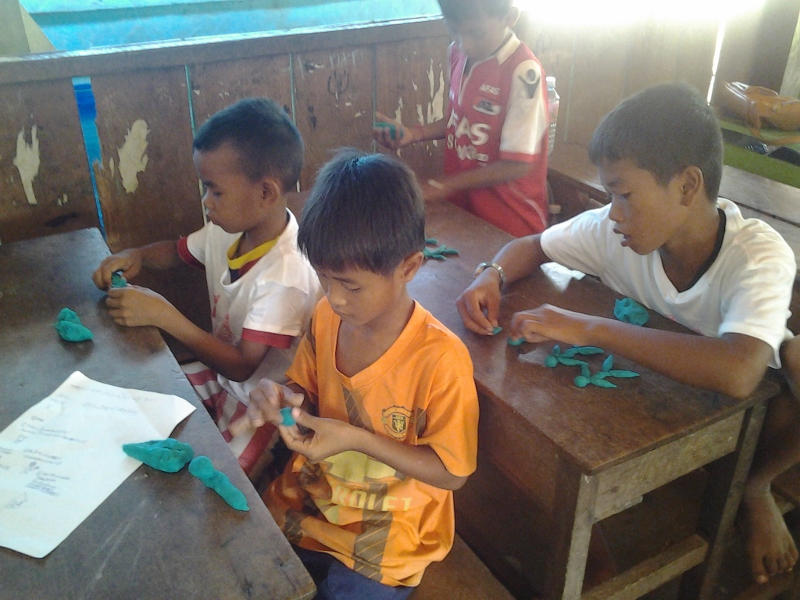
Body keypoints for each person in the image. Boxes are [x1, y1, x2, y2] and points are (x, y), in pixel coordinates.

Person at [455, 82, 799, 585]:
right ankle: (588, 543)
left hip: (755, 412)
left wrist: (590, 328)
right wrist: (491, 274)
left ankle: (756, 486)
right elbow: (534, 245)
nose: (612, 210)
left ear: (687, 186)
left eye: (624, 194)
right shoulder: (614, 230)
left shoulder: (758, 254)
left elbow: (740, 371)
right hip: (658, 396)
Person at [241, 150, 479, 598]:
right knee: (249, 571)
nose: (335, 298)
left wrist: (357, 440)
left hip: (388, 532)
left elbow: (452, 474)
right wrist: (281, 397)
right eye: (324, 278)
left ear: (409, 267)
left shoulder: (440, 359)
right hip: (313, 498)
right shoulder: (326, 318)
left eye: (350, 285)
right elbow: (303, 390)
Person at [92, 98, 322, 480]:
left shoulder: (287, 276)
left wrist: (164, 316)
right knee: (144, 400)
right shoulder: (228, 229)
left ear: (266, 193)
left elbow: (242, 365)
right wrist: (138, 256)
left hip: (264, 404)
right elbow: (178, 251)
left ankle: (267, 461)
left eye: (215, 191)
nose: (206, 202)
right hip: (219, 377)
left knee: (216, 483)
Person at [372, 0, 550, 238]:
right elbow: (461, 119)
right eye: (454, 30)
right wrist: (414, 133)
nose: (466, 44)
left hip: (511, 222)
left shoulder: (524, 72)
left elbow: (518, 164)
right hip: (464, 210)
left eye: (477, 33)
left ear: (509, 17)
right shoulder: (456, 53)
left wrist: (442, 185)